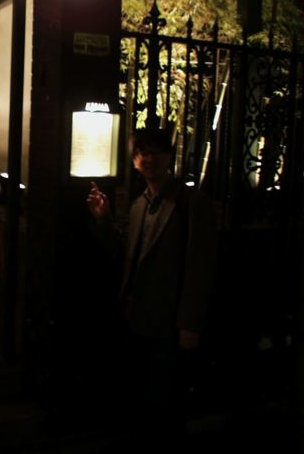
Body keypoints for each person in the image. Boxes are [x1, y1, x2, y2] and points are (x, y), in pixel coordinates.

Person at [86, 127, 217, 444]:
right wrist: (103, 219)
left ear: (169, 157)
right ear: (134, 161)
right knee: (142, 401)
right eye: (141, 152)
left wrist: (190, 324)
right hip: (136, 321)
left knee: (167, 406)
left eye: (156, 151)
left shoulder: (191, 203)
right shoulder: (138, 206)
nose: (148, 158)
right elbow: (125, 258)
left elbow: (199, 267)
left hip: (169, 325)